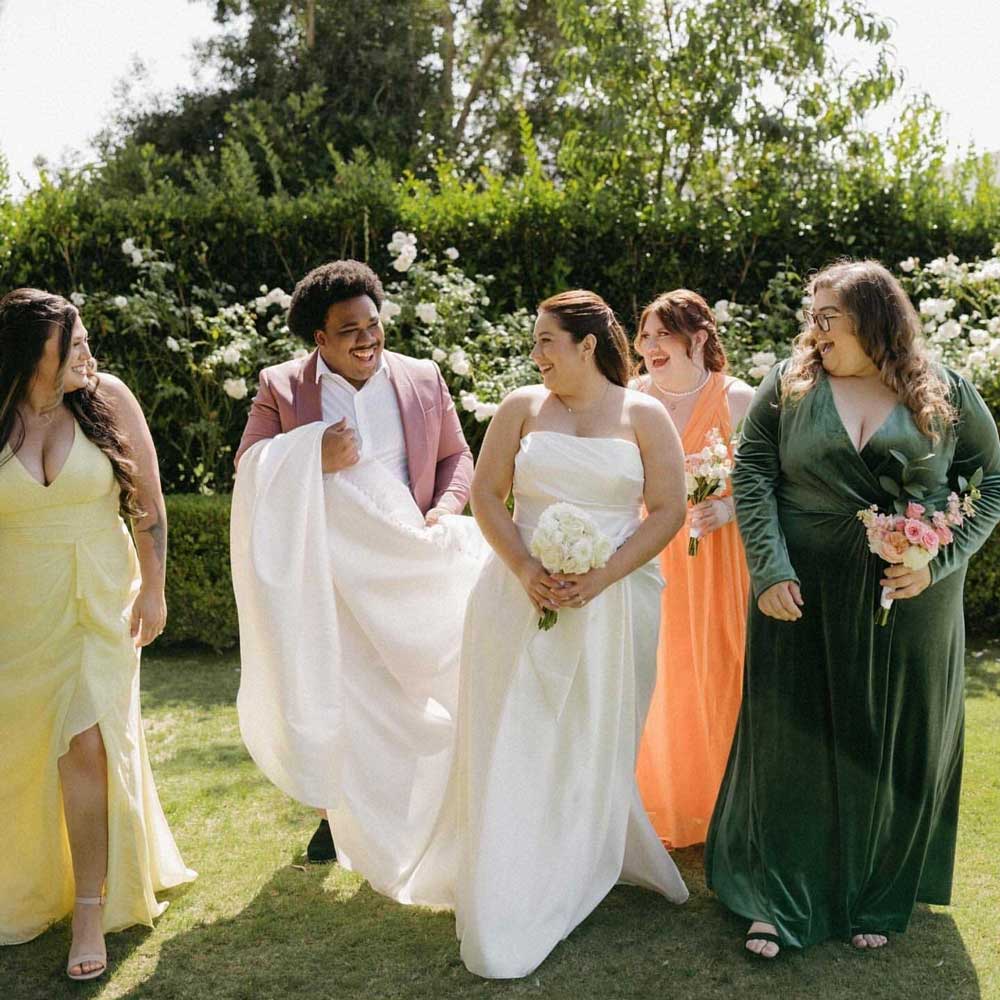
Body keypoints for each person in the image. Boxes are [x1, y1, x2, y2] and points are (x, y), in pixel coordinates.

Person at [705, 260, 1000, 958]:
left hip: (908, 599)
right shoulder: (790, 382)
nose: (815, 330)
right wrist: (769, 568)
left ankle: (877, 892)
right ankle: (779, 898)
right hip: (798, 593)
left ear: (874, 319)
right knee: (792, 743)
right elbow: (753, 471)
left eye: (827, 317)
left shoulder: (944, 390)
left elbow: (991, 483)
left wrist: (939, 560)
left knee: (892, 742)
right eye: (813, 317)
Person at [441, 289, 690, 978]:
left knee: (590, 733)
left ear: (586, 343)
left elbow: (667, 510)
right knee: (517, 729)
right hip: (518, 597)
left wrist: (604, 575)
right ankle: (513, 871)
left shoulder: (645, 414)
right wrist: (524, 567)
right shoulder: (521, 408)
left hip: (613, 601)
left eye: (547, 340)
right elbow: (488, 496)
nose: (536, 354)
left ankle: (581, 854)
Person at [232, 259, 482, 883]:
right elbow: (249, 467)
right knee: (341, 690)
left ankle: (434, 811)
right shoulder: (283, 387)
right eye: (350, 330)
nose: (368, 339)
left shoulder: (422, 379)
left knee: (417, 689)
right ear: (319, 339)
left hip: (412, 562)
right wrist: (313, 452)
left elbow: (457, 457)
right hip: (332, 574)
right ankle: (336, 813)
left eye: (374, 324)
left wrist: (443, 512)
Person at [0, 289, 195, 980]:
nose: (87, 352)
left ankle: (91, 906)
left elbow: (149, 505)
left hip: (104, 601)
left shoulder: (108, 397)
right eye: (71, 343)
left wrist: (157, 588)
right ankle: (33, 882)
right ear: (32, 355)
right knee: (25, 753)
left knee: (87, 742)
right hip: (18, 609)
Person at [632, 290, 752, 848]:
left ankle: (725, 811)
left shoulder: (738, 399)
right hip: (653, 556)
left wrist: (727, 506)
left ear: (698, 337)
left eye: (661, 335)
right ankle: (664, 809)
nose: (647, 346)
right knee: (661, 678)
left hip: (718, 561)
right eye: (644, 336)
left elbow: (761, 483)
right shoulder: (633, 398)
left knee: (719, 671)